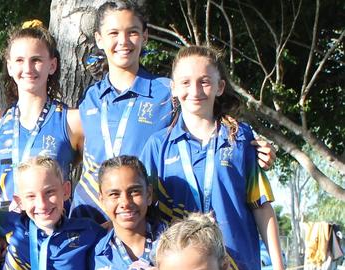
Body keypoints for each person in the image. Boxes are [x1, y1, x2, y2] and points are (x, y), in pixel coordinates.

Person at [70, 0, 275, 223]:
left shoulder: (167, 92)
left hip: (142, 221)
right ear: (99, 39)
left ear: (145, 36)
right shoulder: (90, 98)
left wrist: (257, 148)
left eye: (132, 32)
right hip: (91, 219)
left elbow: (208, 127)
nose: (123, 41)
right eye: (113, 33)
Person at [140, 45, 286, 270]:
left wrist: (278, 269)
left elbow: (261, 206)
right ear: (173, 88)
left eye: (204, 81)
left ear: (219, 87)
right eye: (185, 82)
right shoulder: (157, 146)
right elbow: (145, 214)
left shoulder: (240, 138)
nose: (194, 91)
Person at [0, 20, 82, 210]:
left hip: (52, 233)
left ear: (52, 65)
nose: (28, 69)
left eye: (36, 60)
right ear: (9, 66)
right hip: (5, 235)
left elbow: (96, 175)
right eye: (20, 60)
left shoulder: (73, 120)